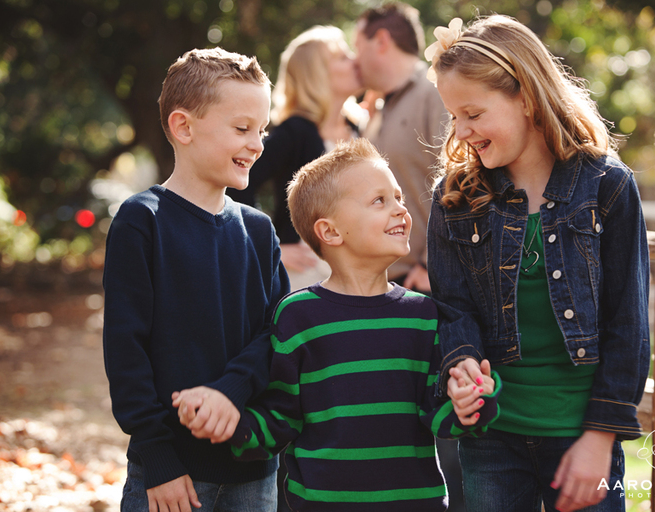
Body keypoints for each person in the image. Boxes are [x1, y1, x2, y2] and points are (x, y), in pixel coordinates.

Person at [425, 15, 650, 512]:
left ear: (525, 98)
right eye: (453, 116)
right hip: (492, 437)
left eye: (473, 114)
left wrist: (600, 437)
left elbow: (627, 324)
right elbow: (453, 308)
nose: (461, 132)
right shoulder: (456, 197)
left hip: (581, 439)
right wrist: (461, 367)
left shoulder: (607, 187)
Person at [225, 138, 500, 511]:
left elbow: (439, 416)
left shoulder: (423, 316)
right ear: (331, 232)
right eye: (379, 201)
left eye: (399, 198)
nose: (401, 210)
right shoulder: (297, 317)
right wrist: (229, 426)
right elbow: (280, 416)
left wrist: (471, 404)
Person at [102, 48, 289, 512]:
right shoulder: (141, 221)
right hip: (170, 476)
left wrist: (230, 392)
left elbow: (278, 332)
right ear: (184, 127)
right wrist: (158, 457)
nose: (257, 144)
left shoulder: (259, 229)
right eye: (242, 129)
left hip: (255, 472)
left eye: (261, 131)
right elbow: (125, 351)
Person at [227, 25, 362, 290]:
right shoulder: (295, 131)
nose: (355, 61)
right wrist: (270, 246)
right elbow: (237, 181)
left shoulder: (357, 128)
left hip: (354, 275)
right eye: (343, 58)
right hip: (307, 275)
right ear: (317, 74)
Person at [354, 2, 450, 293]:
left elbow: (459, 176)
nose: (355, 60)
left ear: (381, 41)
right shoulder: (379, 109)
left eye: (358, 48)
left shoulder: (436, 91)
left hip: (423, 283)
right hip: (383, 286)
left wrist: (430, 263)